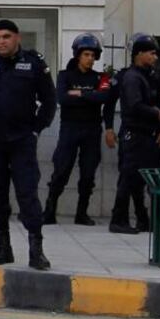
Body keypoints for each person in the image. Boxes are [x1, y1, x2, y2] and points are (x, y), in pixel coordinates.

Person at [0, 19, 56, 270]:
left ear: (17, 38)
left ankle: (36, 250)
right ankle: (3, 248)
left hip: (21, 142)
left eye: (6, 36)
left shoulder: (34, 63)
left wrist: (36, 130)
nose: (0, 42)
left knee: (27, 195)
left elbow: (49, 102)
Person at [42, 33, 112, 226]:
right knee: (61, 170)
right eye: (86, 54)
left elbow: (104, 97)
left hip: (92, 129)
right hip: (70, 129)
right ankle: (49, 210)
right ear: (78, 55)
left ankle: (81, 213)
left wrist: (79, 93)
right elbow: (62, 99)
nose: (90, 58)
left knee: (88, 173)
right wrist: (90, 95)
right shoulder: (65, 75)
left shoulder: (100, 77)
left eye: (92, 55)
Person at [108, 33, 160, 235]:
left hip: (148, 135)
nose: (155, 57)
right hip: (134, 134)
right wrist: (156, 114)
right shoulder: (132, 77)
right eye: (151, 53)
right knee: (128, 178)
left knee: (146, 179)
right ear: (140, 54)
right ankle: (119, 220)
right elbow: (134, 105)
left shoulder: (149, 76)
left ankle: (143, 219)